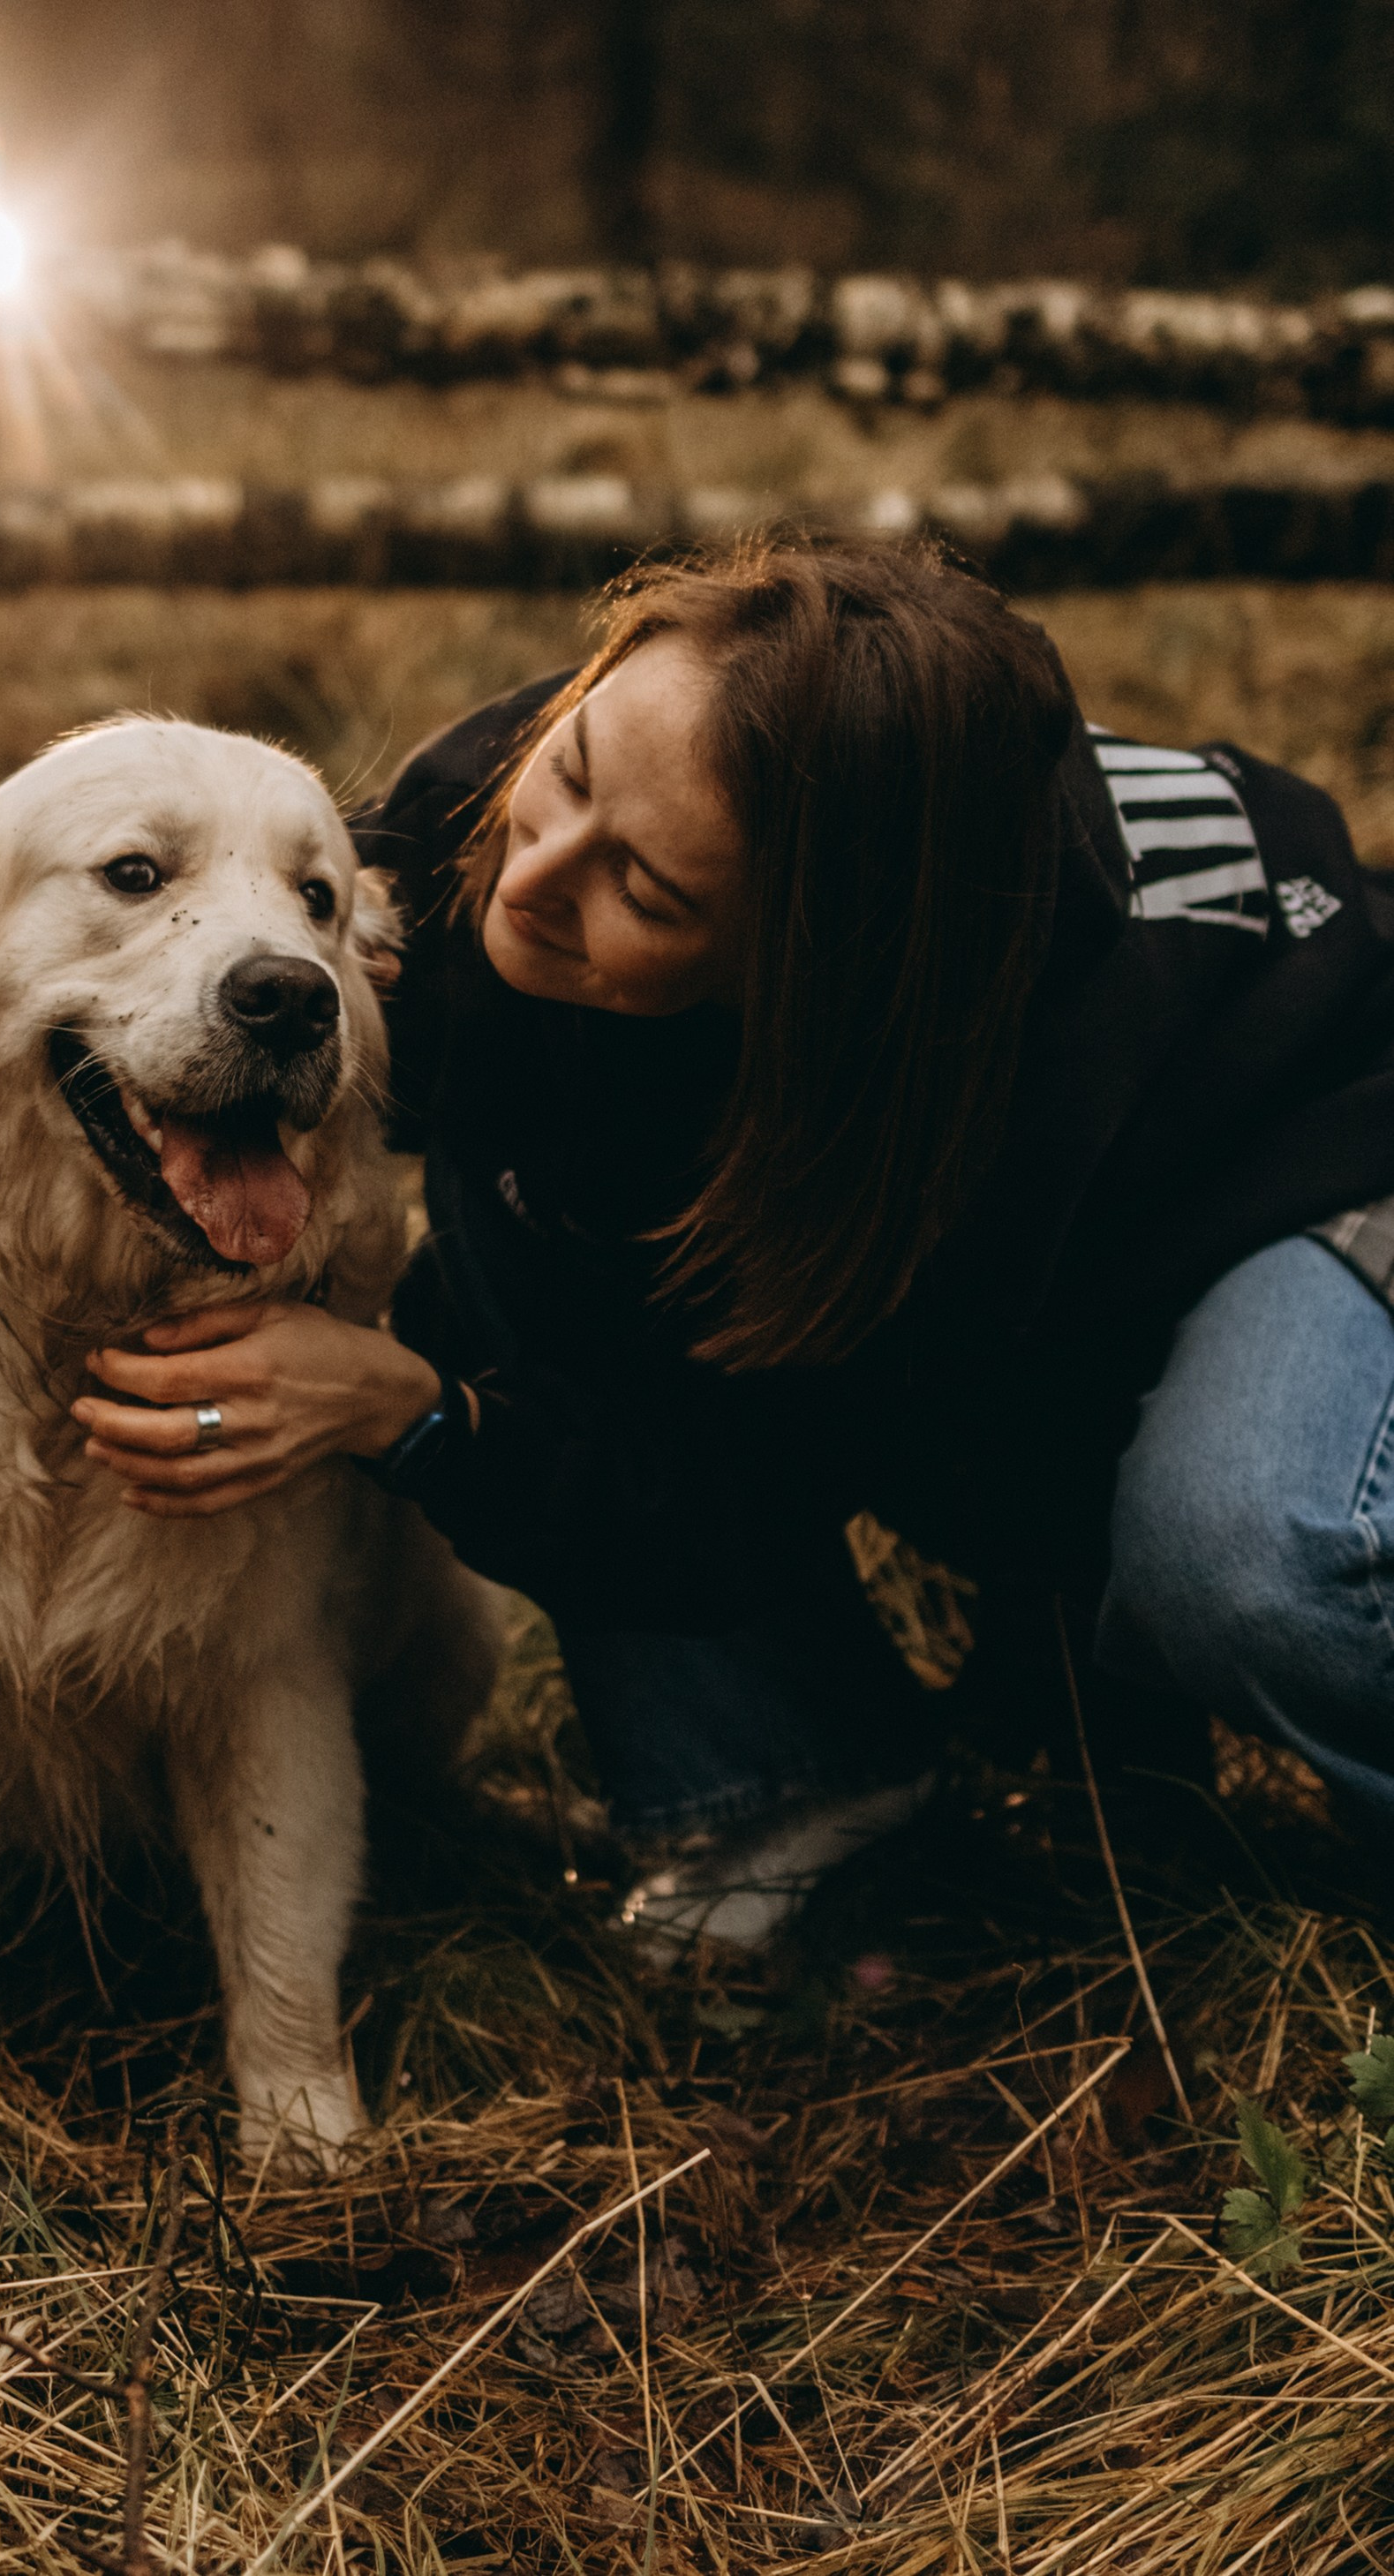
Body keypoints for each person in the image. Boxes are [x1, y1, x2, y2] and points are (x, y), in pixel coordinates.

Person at [72, 534, 1394, 1957]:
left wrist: (418, 1416)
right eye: (571, 768)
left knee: (1243, 1553)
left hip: (1331, 1134)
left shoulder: (966, 1099)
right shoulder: (483, 831)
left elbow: (784, 1477)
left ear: (804, 988)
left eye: (647, 894)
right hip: (1018, 1209)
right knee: (523, 1190)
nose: (534, 878)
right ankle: (797, 1787)